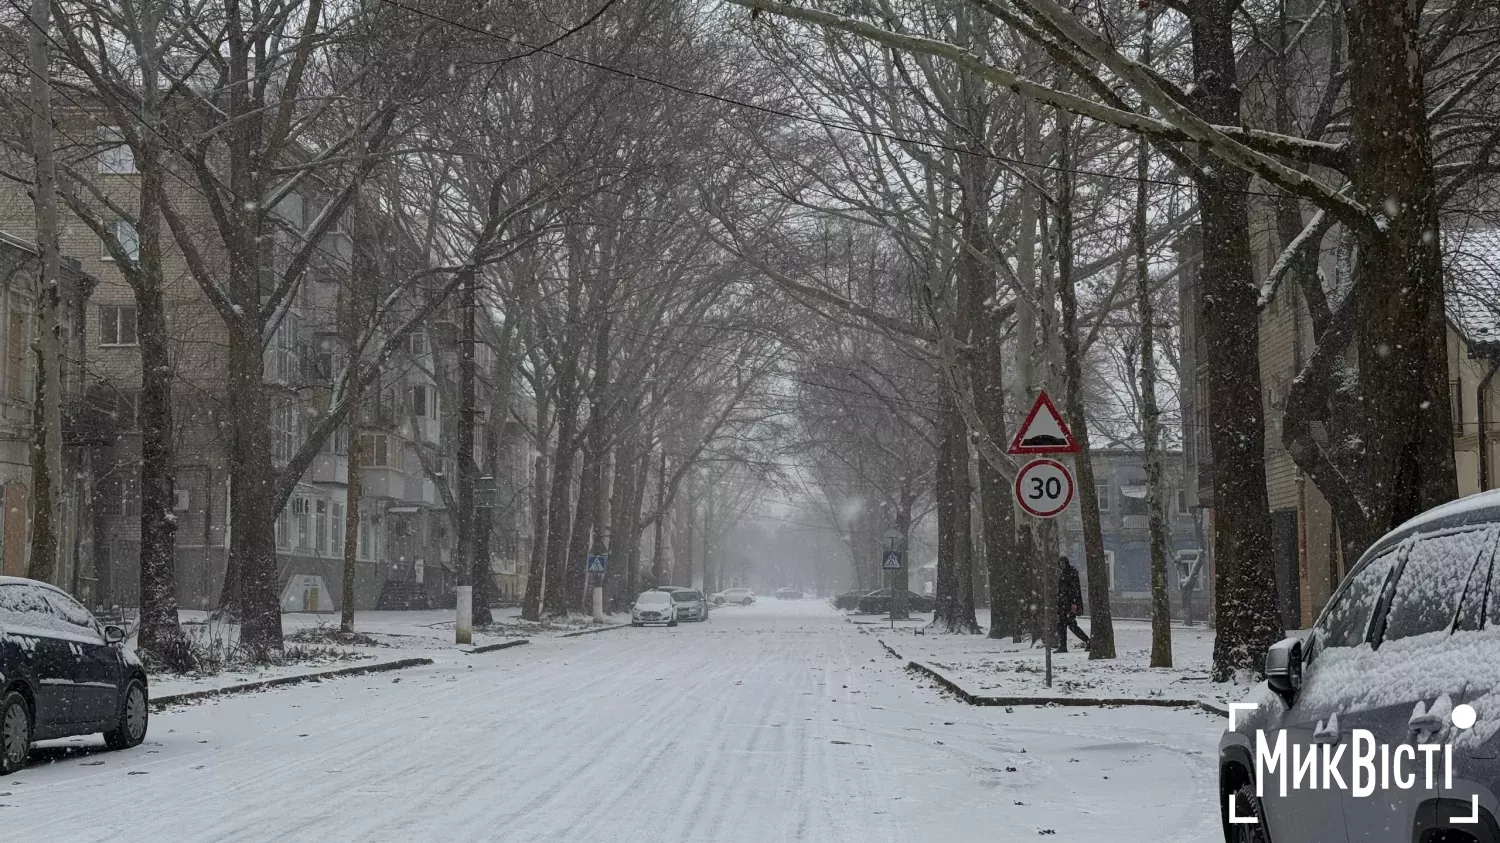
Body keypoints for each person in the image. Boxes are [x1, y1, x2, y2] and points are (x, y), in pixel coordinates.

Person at [1055, 555, 1091, 653]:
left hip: (1069, 604)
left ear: (1066, 563)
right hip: (1063, 604)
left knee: (1070, 624)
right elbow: (1062, 589)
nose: (1062, 565)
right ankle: (1063, 646)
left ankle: (1087, 641)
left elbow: (1075, 590)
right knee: (1064, 625)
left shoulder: (1071, 573)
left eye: (1063, 563)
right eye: (1060, 564)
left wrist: (1074, 603)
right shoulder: (1064, 574)